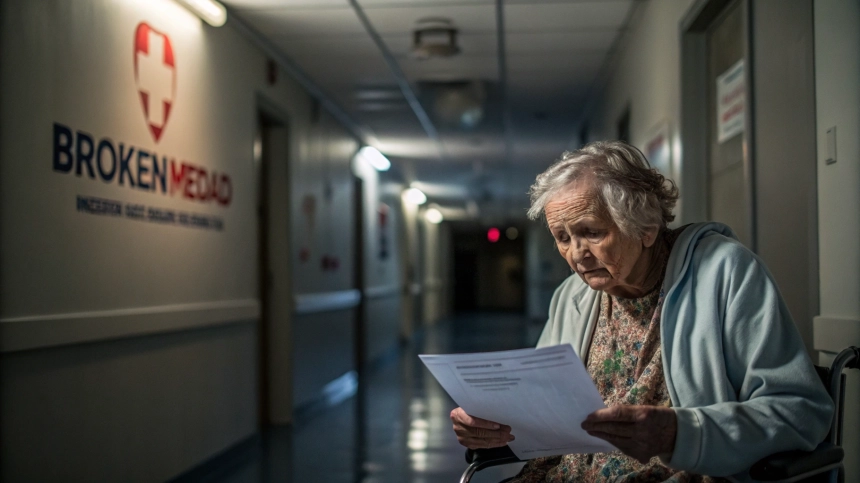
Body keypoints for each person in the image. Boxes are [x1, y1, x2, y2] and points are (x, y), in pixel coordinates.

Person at [449, 141, 833, 482]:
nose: (577, 254)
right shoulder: (571, 296)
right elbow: (540, 408)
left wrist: (680, 433)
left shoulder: (726, 272)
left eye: (592, 233)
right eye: (563, 238)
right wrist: (492, 425)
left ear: (646, 227)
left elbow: (800, 412)